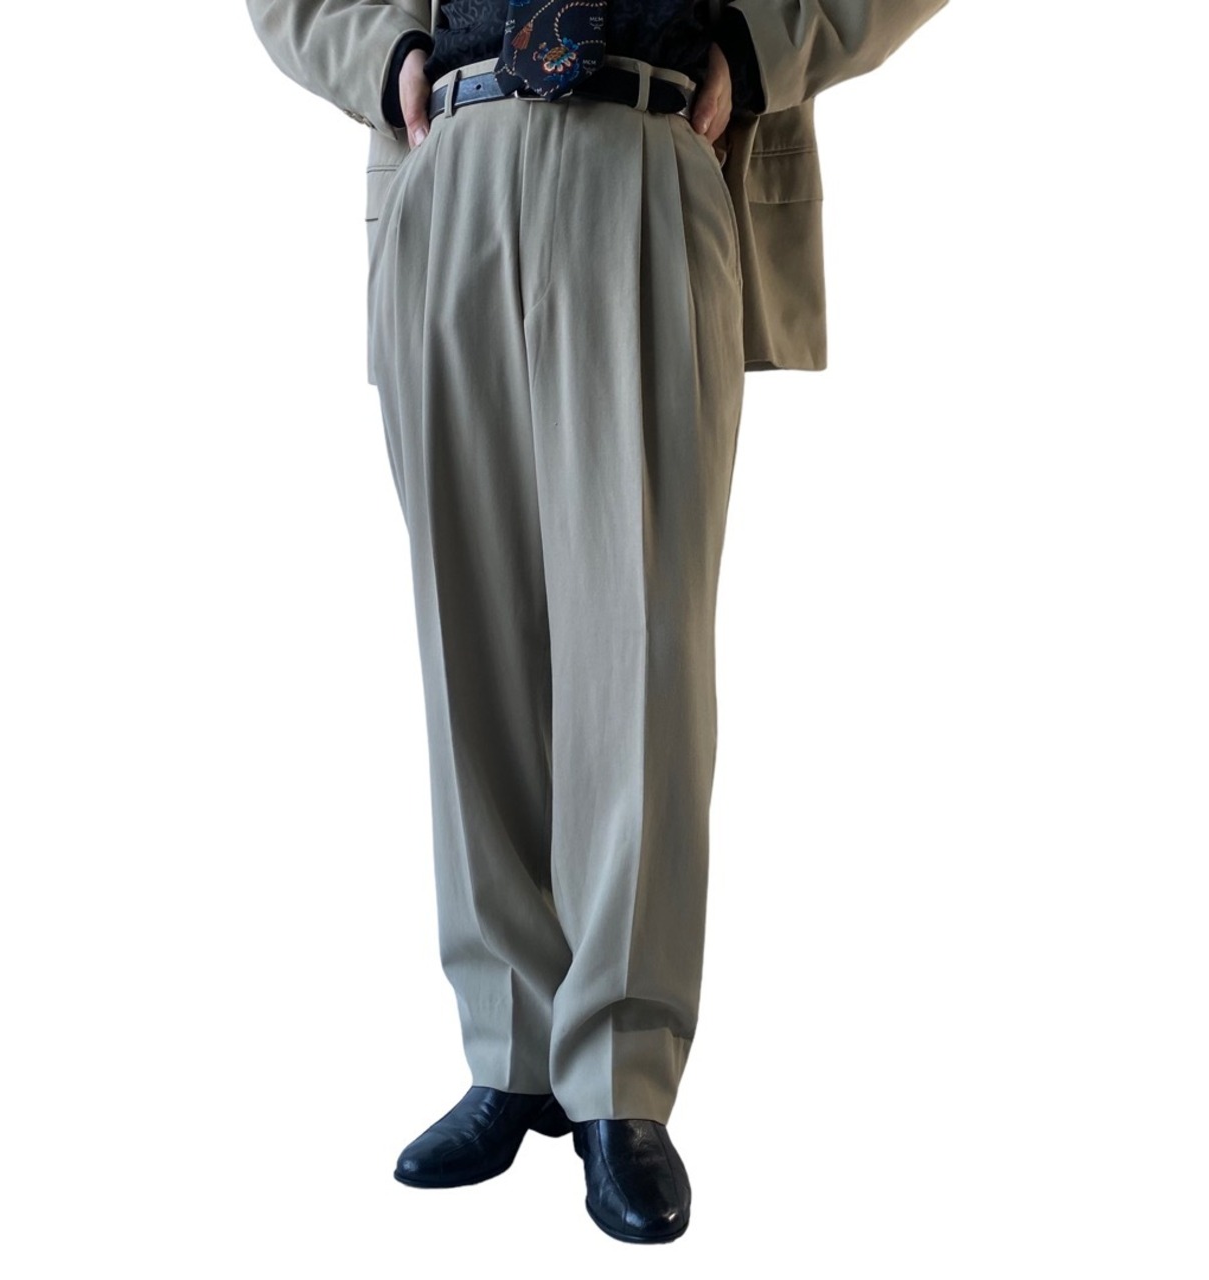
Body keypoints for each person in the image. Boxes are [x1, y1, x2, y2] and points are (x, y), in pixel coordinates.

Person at [244, 0, 947, 1244]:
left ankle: (620, 1074)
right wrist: (384, 54)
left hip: (647, 139)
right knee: (467, 643)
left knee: (642, 652)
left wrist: (758, 45)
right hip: (450, 151)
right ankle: (509, 1046)